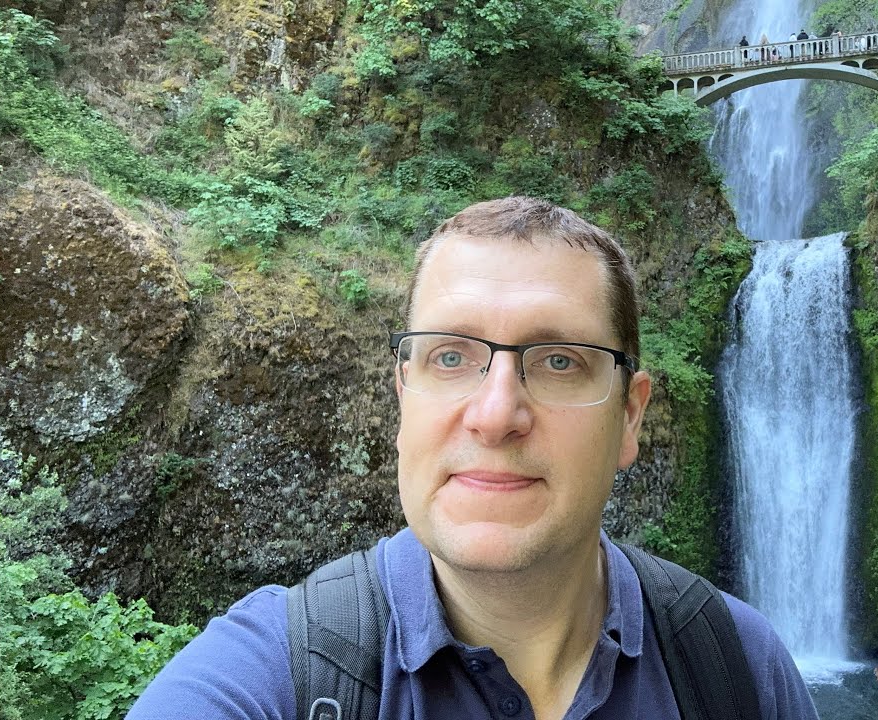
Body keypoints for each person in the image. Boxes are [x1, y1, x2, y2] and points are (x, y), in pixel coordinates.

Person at [126, 197, 820, 720]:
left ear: (629, 414)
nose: (495, 416)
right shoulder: (277, 674)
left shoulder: (738, 669)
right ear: (404, 395)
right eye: (451, 357)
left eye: (558, 361)